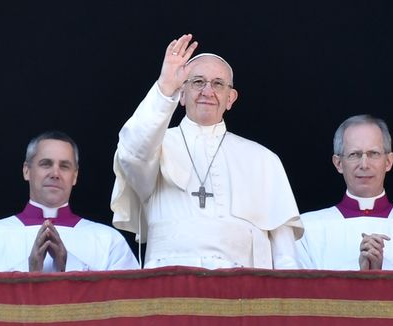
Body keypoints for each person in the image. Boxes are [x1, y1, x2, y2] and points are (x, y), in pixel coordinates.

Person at [110, 33, 303, 269]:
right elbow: (131, 153)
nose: (207, 91)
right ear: (182, 93)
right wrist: (164, 88)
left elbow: (286, 257)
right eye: (198, 82)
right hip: (167, 282)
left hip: (242, 288)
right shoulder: (156, 145)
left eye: (218, 84)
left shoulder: (263, 159)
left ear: (230, 98)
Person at [0, 131, 139, 272]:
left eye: (64, 166)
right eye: (46, 164)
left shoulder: (109, 240)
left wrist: (68, 266)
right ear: (27, 171)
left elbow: (128, 306)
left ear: (75, 176)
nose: (55, 173)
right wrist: (29, 270)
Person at [297, 114, 393, 271]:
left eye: (374, 154)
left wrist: (381, 274)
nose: (364, 165)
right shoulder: (306, 229)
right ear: (338, 163)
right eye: (354, 154)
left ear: (388, 162)